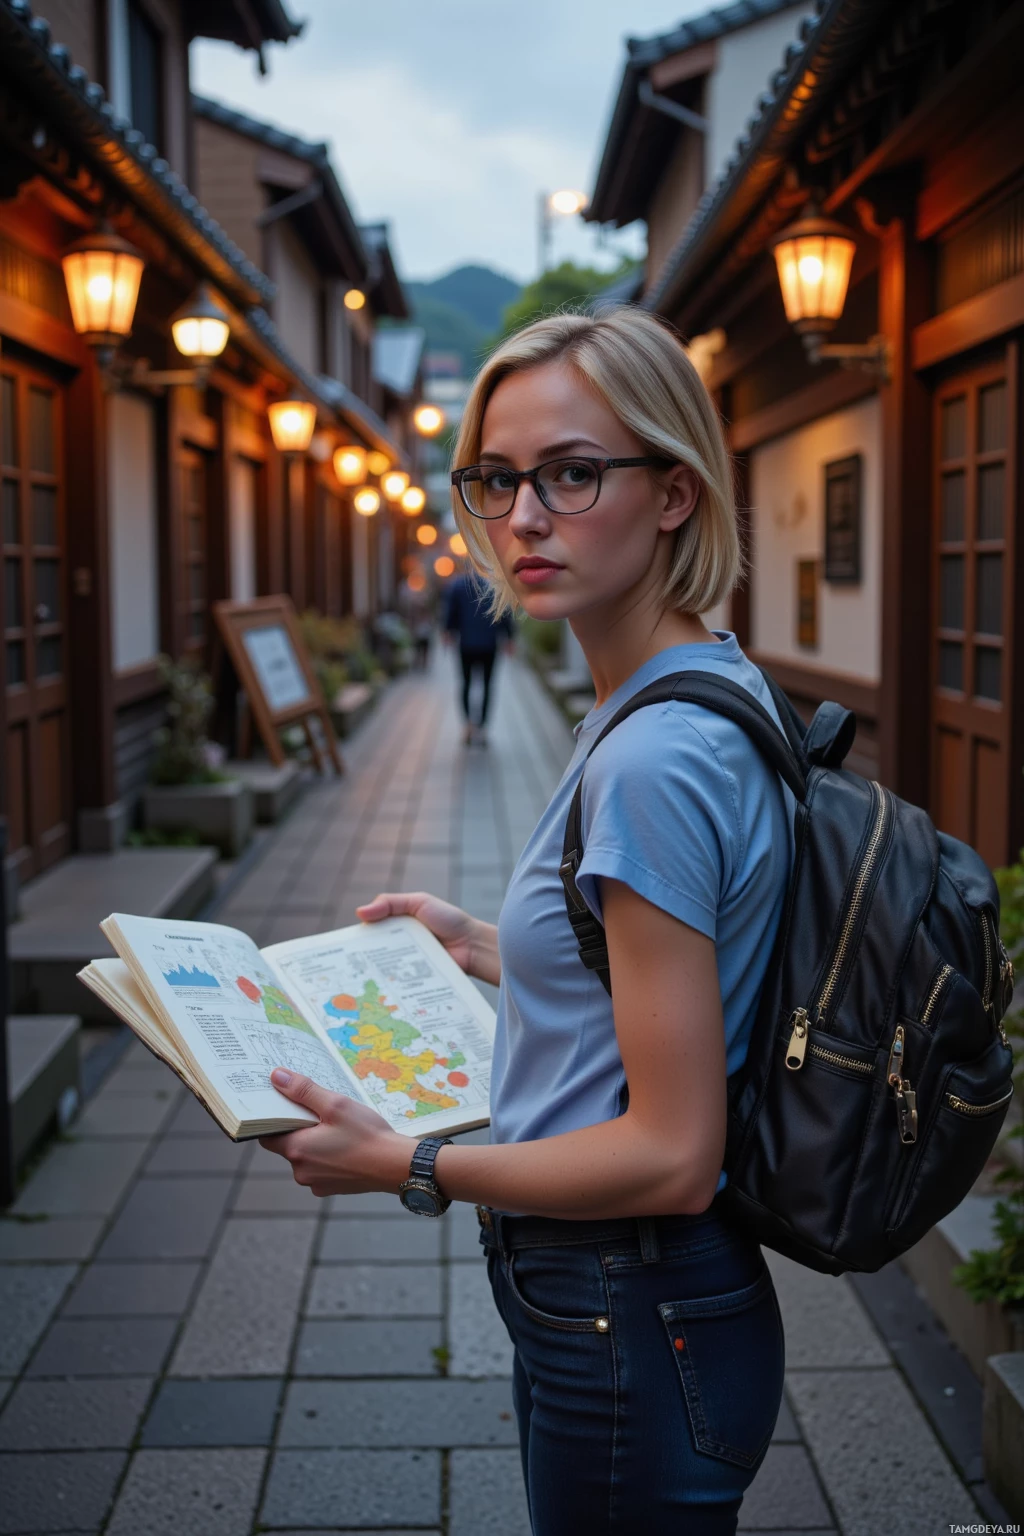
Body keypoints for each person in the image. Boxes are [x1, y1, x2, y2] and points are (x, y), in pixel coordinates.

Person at [259, 307, 794, 1534]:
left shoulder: (651, 756)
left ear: (673, 492)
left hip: (624, 1299)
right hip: (642, 1308)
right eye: (496, 480)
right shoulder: (698, 680)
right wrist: (494, 949)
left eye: (570, 473)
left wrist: (405, 1163)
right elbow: (680, 971)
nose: (522, 520)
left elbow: (670, 1154)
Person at [444, 564, 514, 742]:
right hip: (489, 643)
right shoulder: (495, 585)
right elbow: (504, 613)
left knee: (466, 683)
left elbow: (450, 614)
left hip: (466, 643)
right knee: (487, 684)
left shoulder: (458, 585)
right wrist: (509, 638)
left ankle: (468, 724)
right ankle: (481, 727)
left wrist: (448, 633)